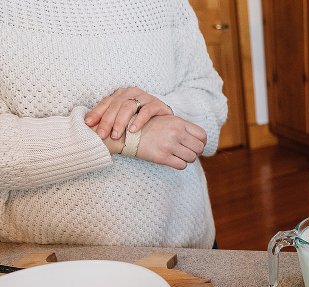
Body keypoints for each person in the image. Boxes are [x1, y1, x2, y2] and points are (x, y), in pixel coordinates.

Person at [0, 0, 227, 248]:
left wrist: (157, 109)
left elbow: (210, 99)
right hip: (50, 262)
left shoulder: (171, 4)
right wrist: (123, 135)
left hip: (190, 245)